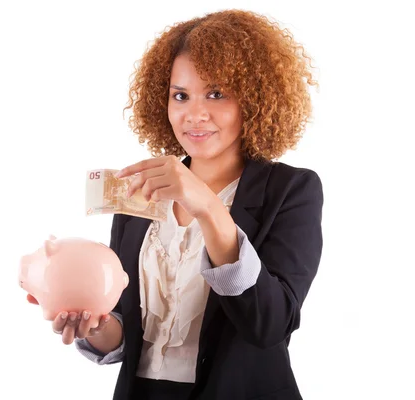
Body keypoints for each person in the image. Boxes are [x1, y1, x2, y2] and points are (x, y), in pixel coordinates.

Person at [27, 8, 322, 400]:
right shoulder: (136, 190)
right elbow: (128, 327)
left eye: (216, 93)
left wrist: (208, 207)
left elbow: (269, 325)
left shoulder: (292, 190)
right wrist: (95, 325)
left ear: (253, 100)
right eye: (180, 95)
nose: (194, 114)